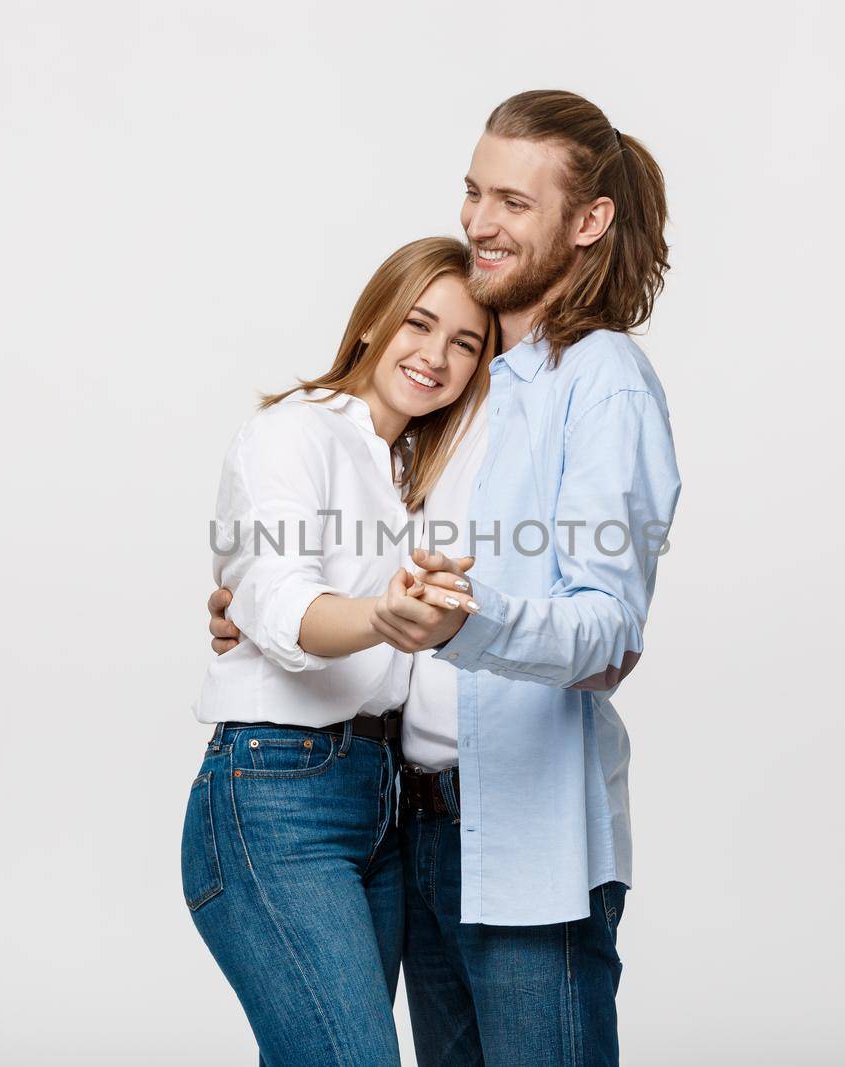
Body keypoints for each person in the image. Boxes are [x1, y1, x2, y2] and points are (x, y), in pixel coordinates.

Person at [209, 89, 680, 1066]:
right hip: (412, 832)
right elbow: (355, 559)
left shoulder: (601, 381)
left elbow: (606, 638)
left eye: (513, 199)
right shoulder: (470, 391)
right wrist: (254, 604)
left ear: (588, 221)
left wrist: (457, 623)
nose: (479, 220)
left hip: (527, 839)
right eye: (473, 191)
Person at [182, 235, 500, 1066]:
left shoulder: (411, 473)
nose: (436, 355)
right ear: (372, 323)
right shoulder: (294, 435)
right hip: (280, 792)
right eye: (419, 324)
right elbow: (283, 603)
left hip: (382, 799)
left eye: (465, 342)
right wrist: (380, 617)